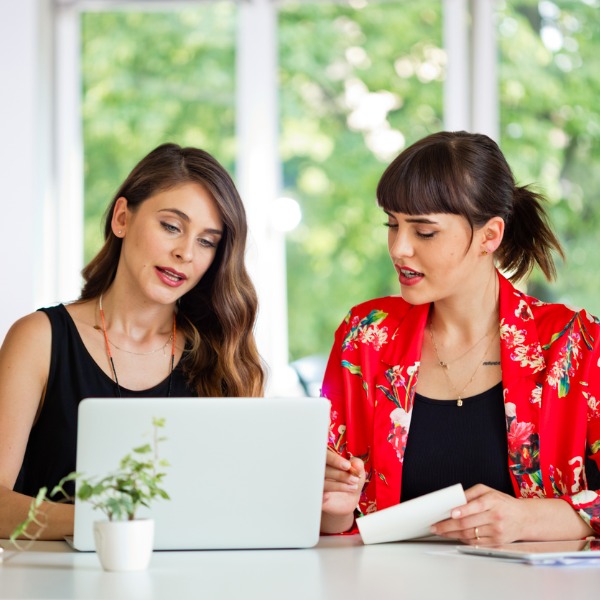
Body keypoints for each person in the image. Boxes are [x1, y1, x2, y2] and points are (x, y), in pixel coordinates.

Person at [320, 131, 600, 544]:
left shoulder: (575, 344)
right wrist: (330, 507)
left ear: (489, 236)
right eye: (392, 225)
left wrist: (529, 519)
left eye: (424, 232)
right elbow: (330, 522)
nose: (399, 248)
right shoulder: (365, 335)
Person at [0, 143, 264, 540]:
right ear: (122, 218)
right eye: (172, 226)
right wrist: (113, 522)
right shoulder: (39, 339)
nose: (185, 253)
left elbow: (245, 501)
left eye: (207, 241)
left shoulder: (220, 355)